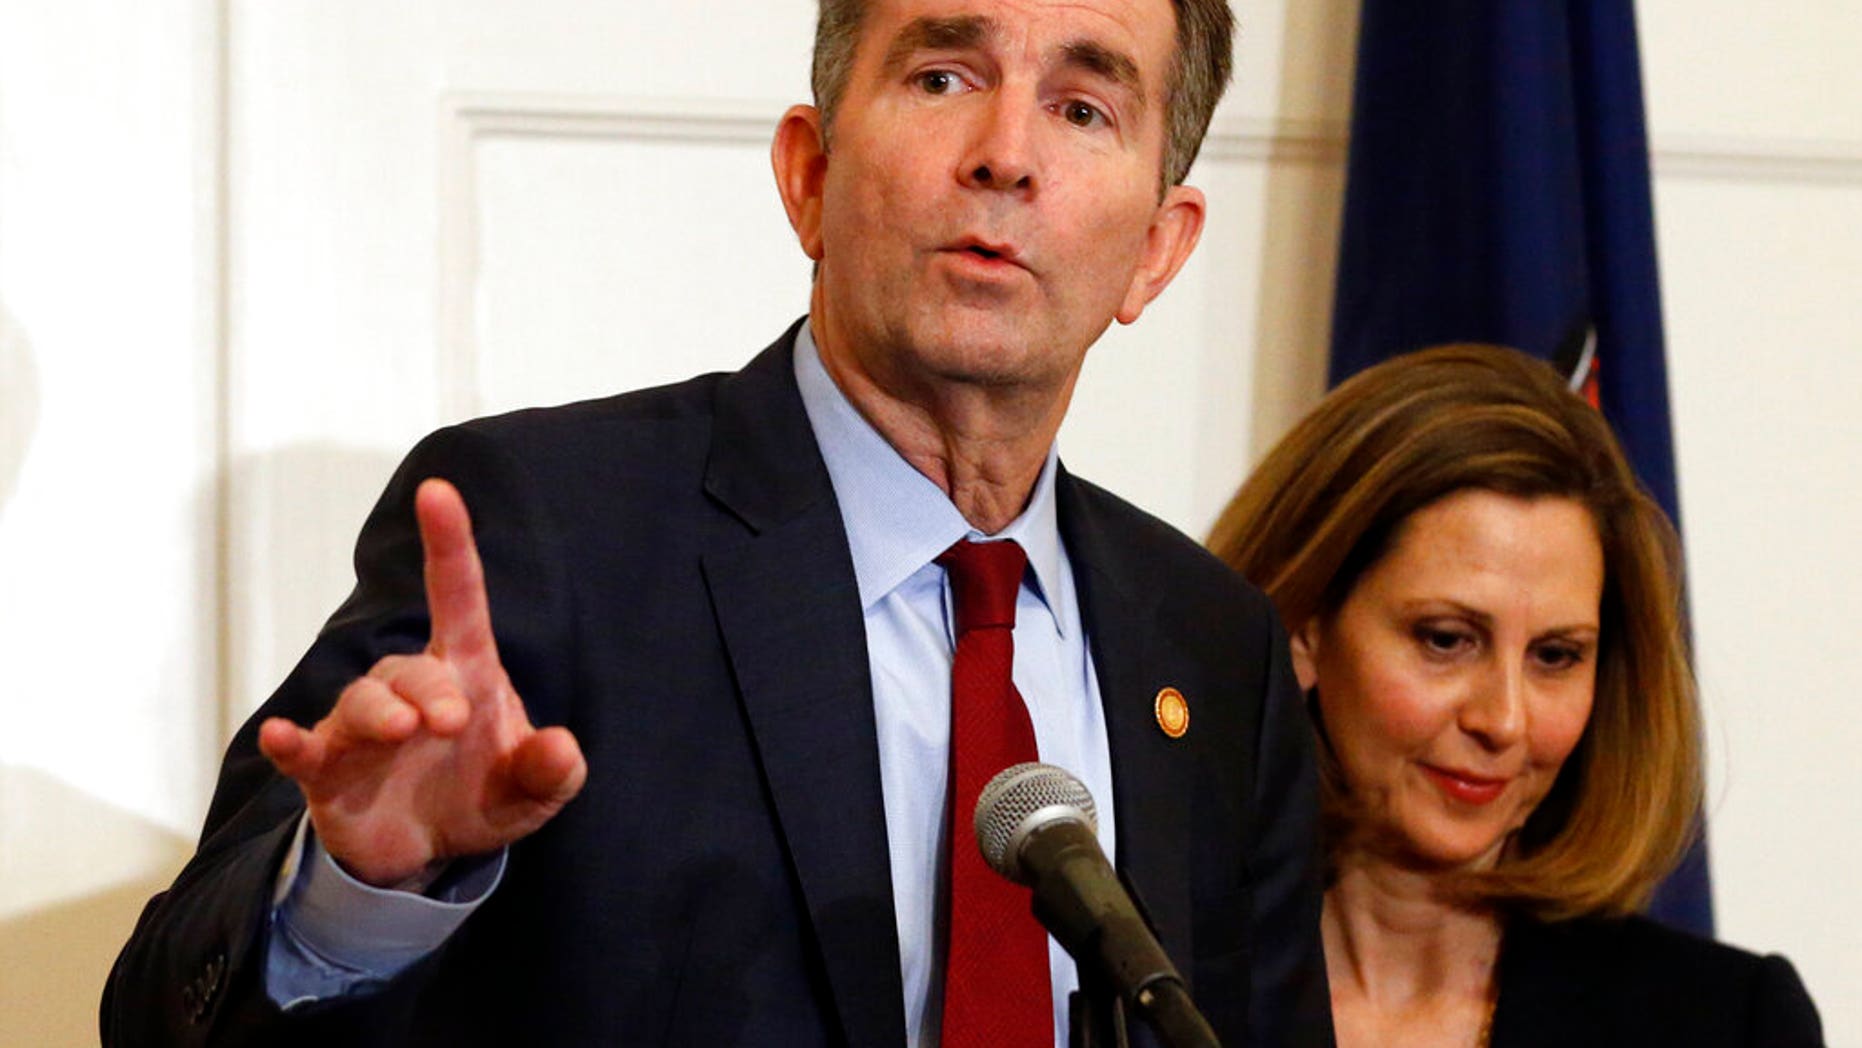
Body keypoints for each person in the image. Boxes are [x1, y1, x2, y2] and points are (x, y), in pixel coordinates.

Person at [102, 0, 1334, 1045]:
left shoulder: (1214, 649)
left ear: (1155, 254)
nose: (1004, 153)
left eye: (1081, 107)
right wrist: (361, 887)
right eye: (942, 75)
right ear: (808, 175)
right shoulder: (545, 533)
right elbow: (162, 1012)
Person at [1206, 343, 1823, 1047]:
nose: (1503, 720)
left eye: (1556, 656)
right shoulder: (1140, 990)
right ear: (1303, 627)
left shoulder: (1727, 1023)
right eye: (1446, 639)